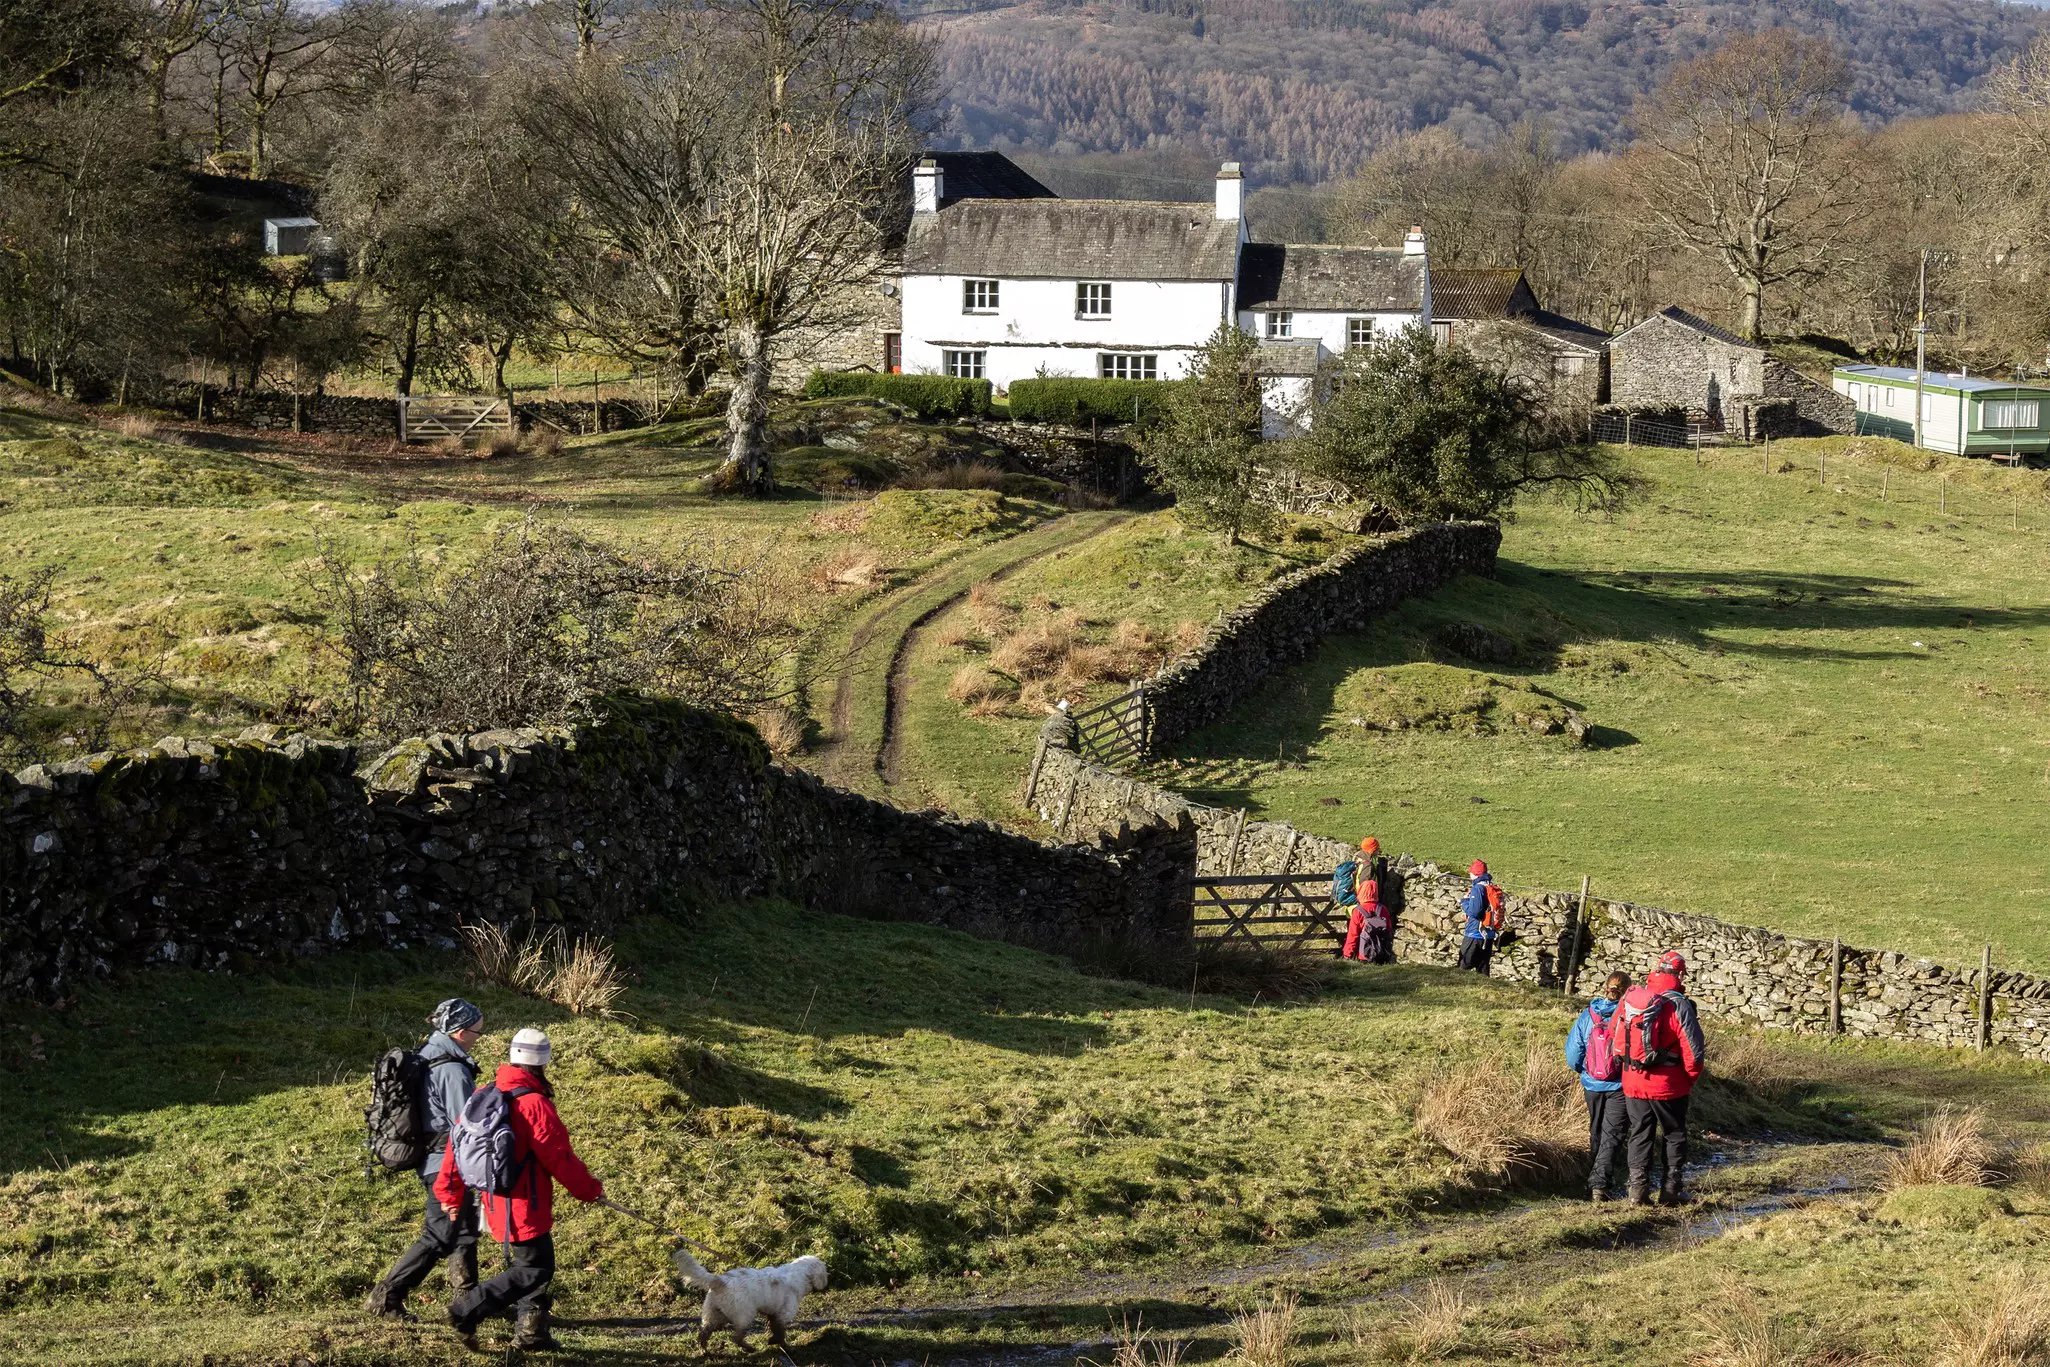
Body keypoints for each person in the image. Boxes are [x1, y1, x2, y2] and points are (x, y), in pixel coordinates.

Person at [436, 1028, 605, 1352]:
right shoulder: (533, 1104)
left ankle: (532, 1334)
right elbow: (560, 1159)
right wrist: (590, 1190)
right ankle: (467, 1309)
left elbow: (456, 1146)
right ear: (543, 1061)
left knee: (534, 1265)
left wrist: (449, 1192)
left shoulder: (486, 1092)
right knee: (535, 1268)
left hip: (495, 1200)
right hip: (526, 1204)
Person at [365, 998, 485, 1318]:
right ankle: (388, 1295)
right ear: (460, 1032)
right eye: (476, 1032)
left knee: (463, 1224)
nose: (478, 1038)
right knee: (440, 1234)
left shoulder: (428, 1053)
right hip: (445, 1163)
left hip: (433, 1157)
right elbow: (466, 1123)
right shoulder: (451, 1068)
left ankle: (468, 1297)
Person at [1610, 950, 1706, 1206]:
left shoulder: (1632, 998)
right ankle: (1671, 1191)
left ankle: (1637, 1193)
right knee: (1674, 1134)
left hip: (1633, 1081)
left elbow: (1612, 1032)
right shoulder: (1678, 1004)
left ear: (1656, 969)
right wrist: (1690, 1079)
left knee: (1640, 1134)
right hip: (1669, 1085)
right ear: (1680, 974)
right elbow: (1694, 1052)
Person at [1564, 972, 1630, 1202]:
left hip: (1592, 1083)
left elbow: (1573, 1052)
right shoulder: (1628, 1014)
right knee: (1612, 1133)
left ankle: (1595, 1179)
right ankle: (1599, 1185)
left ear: (1605, 988)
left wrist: (1584, 1071)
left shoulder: (1588, 1014)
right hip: (1620, 1084)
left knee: (1596, 1130)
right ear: (1627, 990)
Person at [1340, 838, 1385, 962]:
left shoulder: (1358, 860)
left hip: (1352, 904)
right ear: (1373, 849)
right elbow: (1365, 886)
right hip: (1361, 905)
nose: (1378, 851)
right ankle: (1361, 957)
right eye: (1377, 848)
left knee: (1353, 932)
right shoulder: (1368, 865)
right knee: (1361, 933)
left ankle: (1351, 956)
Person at [1459, 860, 1496, 974]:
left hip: (1475, 933)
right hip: (1488, 933)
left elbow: (1475, 913)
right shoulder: (1490, 886)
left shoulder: (1478, 888)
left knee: (1463, 966)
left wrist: (1464, 902)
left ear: (1474, 873)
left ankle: (1458, 988)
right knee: (1483, 968)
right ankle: (1485, 989)